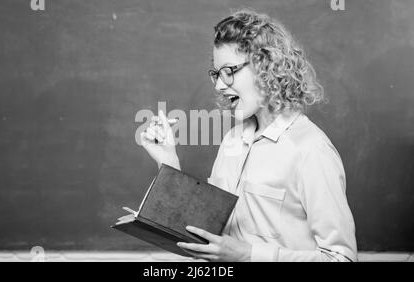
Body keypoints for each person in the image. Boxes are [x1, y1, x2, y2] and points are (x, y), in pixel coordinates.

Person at [139, 9, 357, 262]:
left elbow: (342, 259)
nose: (220, 85)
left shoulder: (311, 150)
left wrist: (249, 255)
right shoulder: (233, 140)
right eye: (216, 74)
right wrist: (168, 162)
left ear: (266, 66)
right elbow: (204, 234)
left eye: (229, 71)